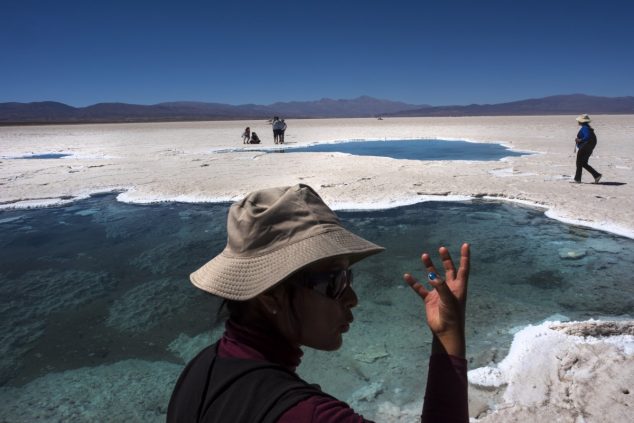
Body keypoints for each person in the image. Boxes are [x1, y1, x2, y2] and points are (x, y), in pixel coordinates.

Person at [167, 184, 470, 422]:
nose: (353, 299)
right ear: (270, 296)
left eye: (348, 277)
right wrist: (449, 335)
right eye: (334, 282)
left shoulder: (201, 370)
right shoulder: (309, 414)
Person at [573, 114, 602, 183]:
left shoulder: (585, 128)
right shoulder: (588, 128)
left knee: (579, 163)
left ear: (581, 121)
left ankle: (577, 179)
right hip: (588, 148)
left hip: (584, 148)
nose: (578, 122)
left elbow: (587, 137)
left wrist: (579, 140)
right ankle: (596, 175)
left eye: (579, 121)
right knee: (583, 163)